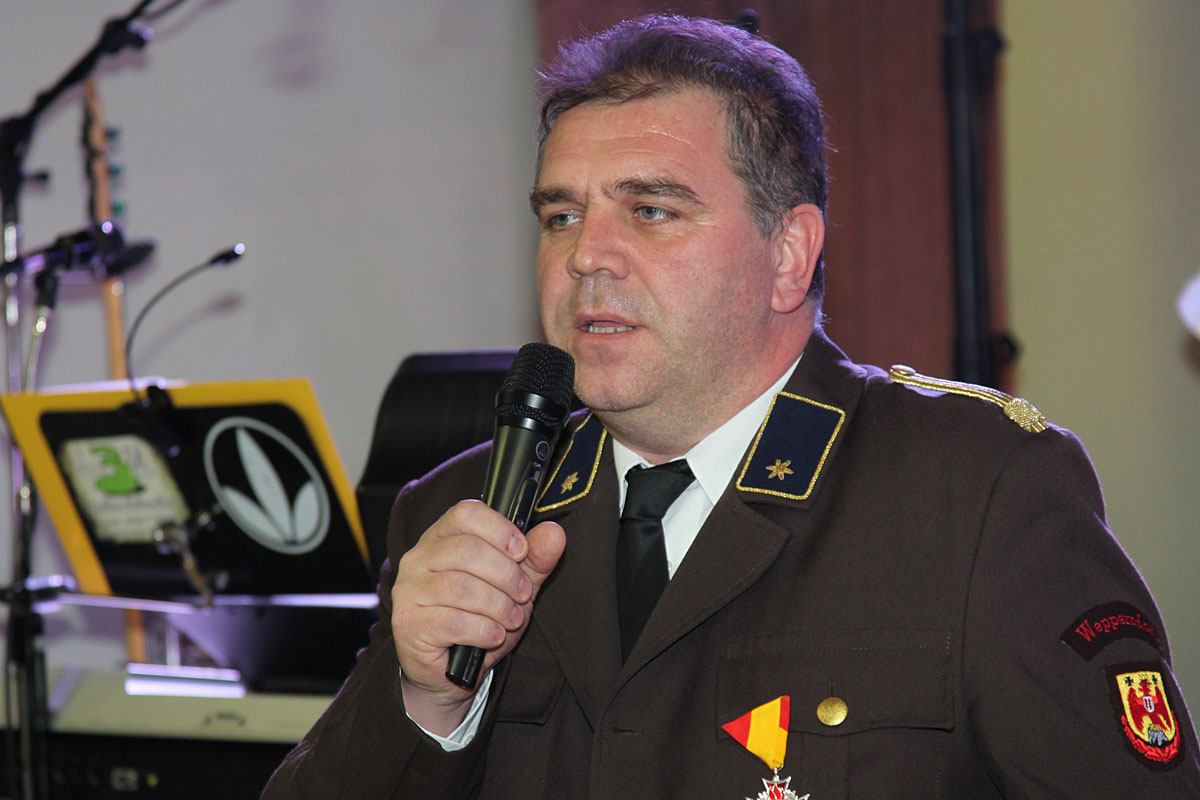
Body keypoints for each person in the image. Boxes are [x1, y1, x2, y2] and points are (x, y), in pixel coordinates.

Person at [263, 14, 1200, 798]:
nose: (585, 256)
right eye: (560, 216)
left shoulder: (974, 493)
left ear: (788, 255)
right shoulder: (464, 514)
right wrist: (427, 699)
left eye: (651, 211)